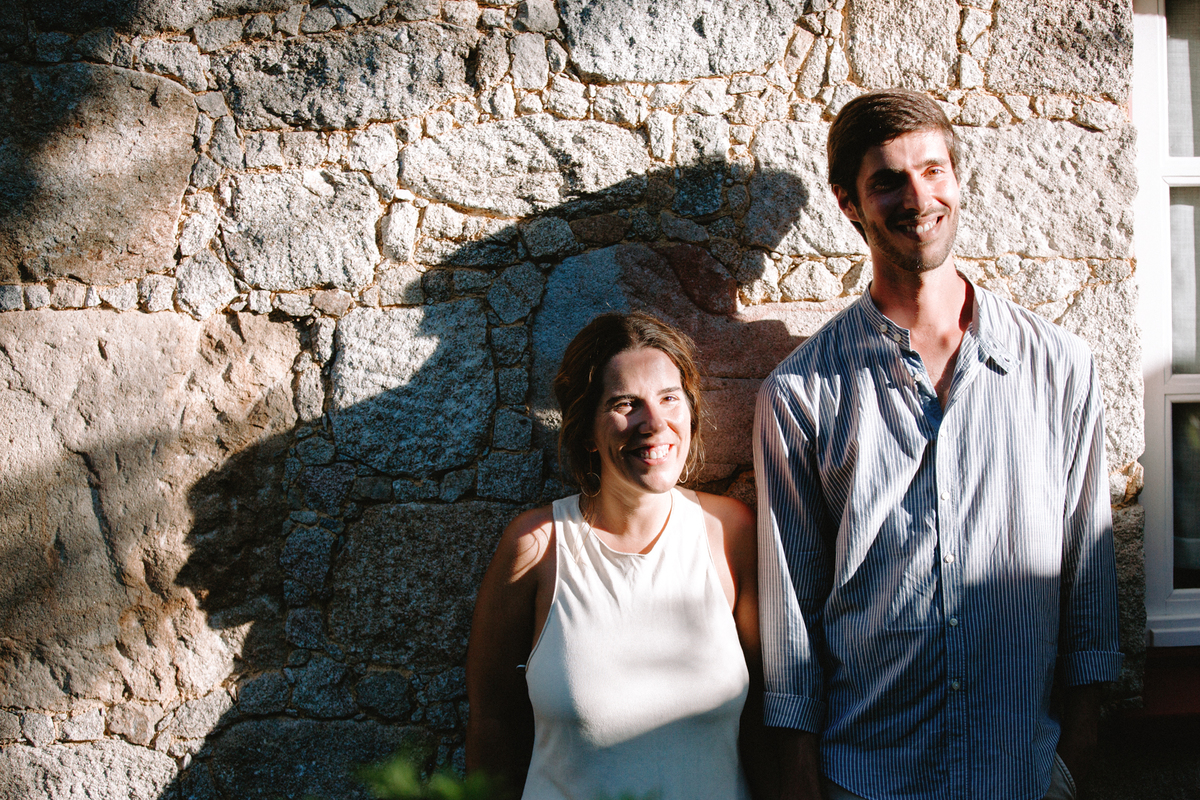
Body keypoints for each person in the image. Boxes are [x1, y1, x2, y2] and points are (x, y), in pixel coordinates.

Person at [754, 88, 1123, 800]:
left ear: (957, 178)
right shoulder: (799, 393)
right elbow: (791, 608)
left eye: (932, 170)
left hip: (1023, 772)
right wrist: (801, 779)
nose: (918, 198)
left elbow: (1089, 565)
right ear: (848, 203)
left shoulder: (1059, 368)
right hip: (867, 779)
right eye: (887, 181)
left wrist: (1078, 750)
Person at [467, 311, 768, 800]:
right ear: (586, 428)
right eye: (626, 404)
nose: (654, 423)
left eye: (669, 398)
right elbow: (491, 724)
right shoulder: (536, 546)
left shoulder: (729, 532)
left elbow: (772, 714)